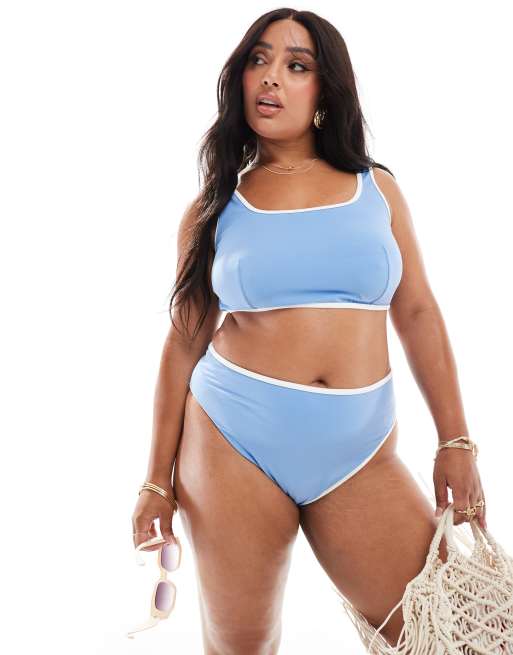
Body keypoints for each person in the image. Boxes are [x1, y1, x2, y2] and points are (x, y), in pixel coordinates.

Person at [131, 8, 486, 653]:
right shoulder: (214, 209)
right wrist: (156, 481)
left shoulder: (376, 190)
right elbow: (183, 343)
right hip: (234, 440)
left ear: (326, 91)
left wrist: (455, 439)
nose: (271, 77)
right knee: (242, 647)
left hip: (359, 452)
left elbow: (418, 312)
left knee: (452, 633)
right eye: (259, 61)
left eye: (297, 66)